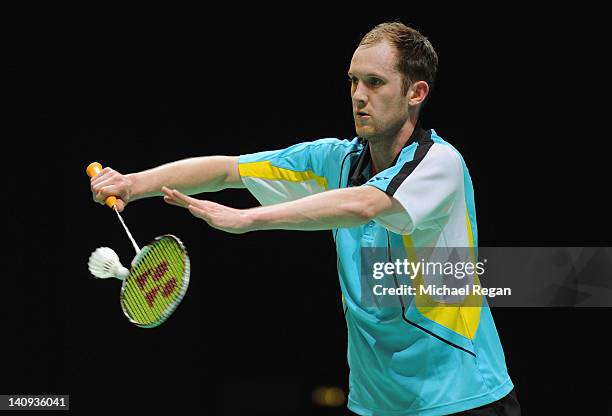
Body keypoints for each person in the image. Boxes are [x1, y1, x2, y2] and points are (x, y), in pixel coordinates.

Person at [90, 21, 520, 416]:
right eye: (353, 81)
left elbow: (362, 205)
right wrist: (132, 184)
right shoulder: (335, 160)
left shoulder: (439, 164)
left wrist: (248, 220)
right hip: (377, 401)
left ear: (416, 93)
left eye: (374, 82)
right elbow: (227, 170)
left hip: (461, 394)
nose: (358, 95)